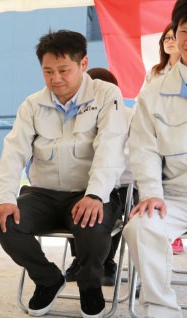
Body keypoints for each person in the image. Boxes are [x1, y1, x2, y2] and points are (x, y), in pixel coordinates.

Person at [0, 30, 127, 318]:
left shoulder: (106, 95)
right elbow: (13, 153)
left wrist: (95, 195)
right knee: (5, 223)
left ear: (83, 63)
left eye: (63, 70)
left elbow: (110, 147)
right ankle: (48, 279)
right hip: (44, 193)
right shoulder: (32, 104)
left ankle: (90, 285)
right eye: (48, 71)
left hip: (89, 192)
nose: (56, 79)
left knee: (93, 222)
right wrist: (4, 199)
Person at [123, 0, 187, 318]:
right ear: (173, 33)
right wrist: (152, 194)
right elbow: (143, 148)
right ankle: (162, 312)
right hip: (178, 197)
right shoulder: (154, 92)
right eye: (184, 31)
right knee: (141, 227)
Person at [65, 67, 136, 287]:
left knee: (106, 208)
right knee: (72, 201)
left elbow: (130, 156)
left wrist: (104, 176)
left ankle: (106, 262)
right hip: (84, 181)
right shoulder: (75, 115)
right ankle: (81, 259)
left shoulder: (128, 115)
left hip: (124, 183)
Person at [145, 24, 187, 255]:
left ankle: (176, 235)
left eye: (173, 38)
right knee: (155, 182)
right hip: (155, 133)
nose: (169, 42)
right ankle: (164, 232)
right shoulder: (154, 72)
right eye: (166, 39)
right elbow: (144, 102)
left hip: (180, 136)